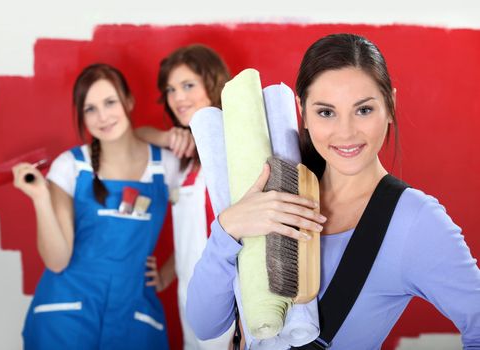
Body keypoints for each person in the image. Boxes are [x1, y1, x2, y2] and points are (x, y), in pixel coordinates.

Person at [185, 34, 480, 349]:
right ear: (304, 113)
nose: (346, 132)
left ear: (390, 106)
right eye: (326, 112)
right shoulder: (272, 191)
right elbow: (206, 323)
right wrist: (228, 228)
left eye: (363, 110)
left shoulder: (415, 221)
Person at [12, 63, 179, 349]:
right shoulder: (71, 166)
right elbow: (57, 260)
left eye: (110, 102)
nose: (102, 116)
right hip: (65, 316)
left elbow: (204, 224)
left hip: (133, 315)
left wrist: (167, 272)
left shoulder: (165, 166)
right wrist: (41, 197)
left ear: (128, 101)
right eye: (90, 109)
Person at [135, 44, 235, 349]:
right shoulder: (182, 160)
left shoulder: (235, 146)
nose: (178, 97)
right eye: (171, 89)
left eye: (188, 85)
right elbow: (128, 138)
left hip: (232, 301)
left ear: (213, 83)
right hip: (190, 301)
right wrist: (168, 271)